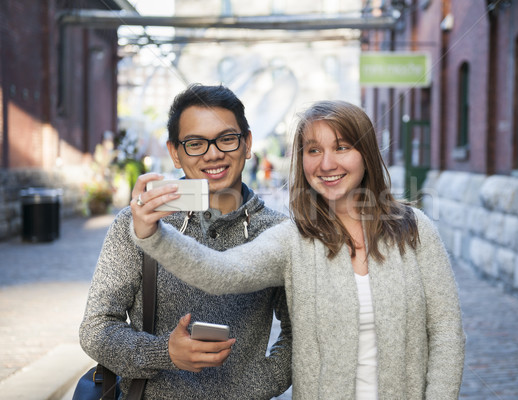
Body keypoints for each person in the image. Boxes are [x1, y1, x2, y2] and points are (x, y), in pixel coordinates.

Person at [131, 100, 465, 399]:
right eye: (314, 150)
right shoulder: (294, 238)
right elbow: (221, 273)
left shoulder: (413, 228)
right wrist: (154, 235)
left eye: (343, 147)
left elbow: (447, 332)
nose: (327, 164)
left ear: (367, 154)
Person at [79, 84, 293, 399]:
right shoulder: (139, 222)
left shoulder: (277, 231)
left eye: (227, 138)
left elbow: (300, 333)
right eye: (195, 143)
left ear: (247, 144)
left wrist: (252, 386)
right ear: (175, 153)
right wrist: (164, 352)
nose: (213, 153)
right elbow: (96, 329)